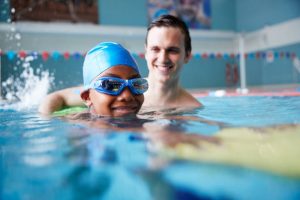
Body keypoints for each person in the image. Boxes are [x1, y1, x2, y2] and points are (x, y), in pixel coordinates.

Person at [38, 14, 202, 115]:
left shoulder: (191, 108)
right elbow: (55, 97)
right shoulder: (108, 87)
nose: (163, 57)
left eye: (172, 50)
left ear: (187, 55)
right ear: (146, 52)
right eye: (155, 49)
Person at [63, 41, 148, 117]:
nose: (127, 96)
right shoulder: (78, 131)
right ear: (87, 97)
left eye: (136, 84)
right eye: (111, 85)